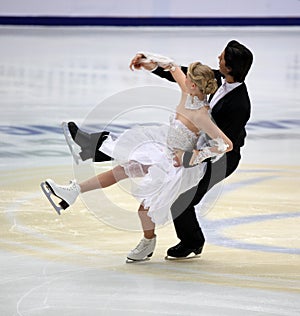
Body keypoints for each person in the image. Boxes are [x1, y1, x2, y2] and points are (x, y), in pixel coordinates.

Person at [61, 40, 253, 260]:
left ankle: (192, 241)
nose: (217, 59)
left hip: (220, 159)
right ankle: (87, 147)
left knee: (182, 200)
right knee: (135, 150)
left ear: (230, 67)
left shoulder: (239, 105)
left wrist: (190, 157)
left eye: (221, 58)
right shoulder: (215, 77)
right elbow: (182, 74)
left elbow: (222, 145)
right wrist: (151, 65)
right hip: (187, 143)